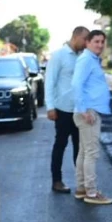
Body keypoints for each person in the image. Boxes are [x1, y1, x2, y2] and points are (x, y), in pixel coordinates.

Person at [71, 29, 112, 205]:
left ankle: (82, 189)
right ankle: (91, 192)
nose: (100, 45)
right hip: (88, 112)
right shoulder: (86, 59)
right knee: (91, 153)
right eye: (96, 41)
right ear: (87, 42)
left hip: (89, 110)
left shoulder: (91, 60)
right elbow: (76, 84)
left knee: (84, 151)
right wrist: (84, 110)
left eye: (102, 41)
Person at [45, 26, 89, 193]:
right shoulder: (59, 56)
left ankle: (82, 184)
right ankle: (57, 181)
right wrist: (50, 107)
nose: (86, 43)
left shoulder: (83, 56)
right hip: (62, 109)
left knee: (80, 148)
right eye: (84, 39)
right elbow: (50, 82)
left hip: (79, 110)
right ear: (76, 36)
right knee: (60, 145)